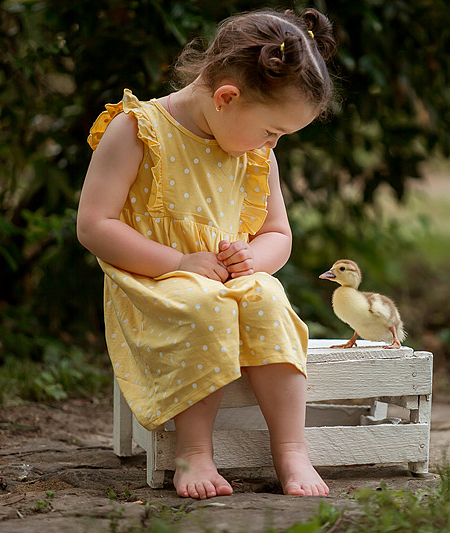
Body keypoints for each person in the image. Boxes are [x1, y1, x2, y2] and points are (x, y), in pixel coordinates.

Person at [76, 8, 336, 500]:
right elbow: (94, 225)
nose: (271, 143)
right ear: (226, 98)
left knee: (268, 296)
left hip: (223, 279)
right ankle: (194, 451)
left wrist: (253, 259)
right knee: (203, 304)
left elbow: (278, 232)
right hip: (152, 280)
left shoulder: (253, 151)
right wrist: (178, 263)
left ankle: (291, 448)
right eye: (270, 131)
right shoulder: (138, 130)